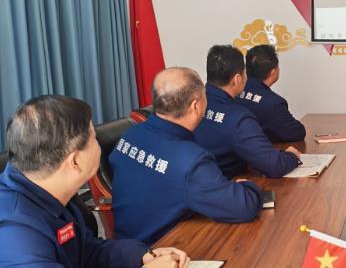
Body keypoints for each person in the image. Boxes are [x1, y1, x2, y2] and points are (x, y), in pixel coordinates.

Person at [0, 96, 189, 268]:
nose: (98, 145)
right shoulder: (12, 229)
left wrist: (141, 257)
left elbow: (85, 252)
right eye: (93, 139)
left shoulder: (46, 191)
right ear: (75, 161)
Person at [110, 67, 264, 245]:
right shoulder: (190, 161)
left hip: (125, 247)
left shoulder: (130, 134)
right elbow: (244, 206)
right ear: (196, 106)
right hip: (166, 248)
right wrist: (248, 186)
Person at [195, 45, 301, 179]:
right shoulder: (239, 118)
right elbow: (273, 166)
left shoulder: (192, 104)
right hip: (226, 184)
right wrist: (291, 156)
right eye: (245, 73)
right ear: (237, 79)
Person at [237, 44, 306, 144]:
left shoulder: (233, 92)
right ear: (273, 72)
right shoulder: (273, 103)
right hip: (261, 151)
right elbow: (296, 132)